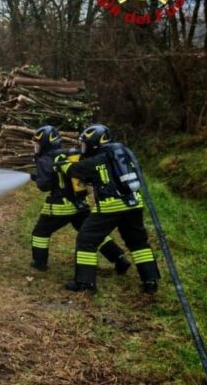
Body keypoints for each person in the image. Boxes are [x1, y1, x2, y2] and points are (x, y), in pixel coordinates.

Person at [56, 124, 161, 293]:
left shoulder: (99, 157)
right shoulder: (123, 153)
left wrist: (62, 163)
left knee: (86, 239)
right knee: (138, 242)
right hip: (134, 203)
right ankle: (150, 281)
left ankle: (85, 283)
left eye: (85, 144)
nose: (83, 148)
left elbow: (75, 170)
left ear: (94, 143)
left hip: (110, 206)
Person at [29, 125, 130, 273]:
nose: (36, 147)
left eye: (37, 144)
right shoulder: (68, 154)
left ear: (45, 143)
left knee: (40, 233)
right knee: (92, 233)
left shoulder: (45, 159)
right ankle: (119, 258)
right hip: (79, 204)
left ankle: (39, 263)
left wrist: (38, 178)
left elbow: (44, 185)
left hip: (60, 206)